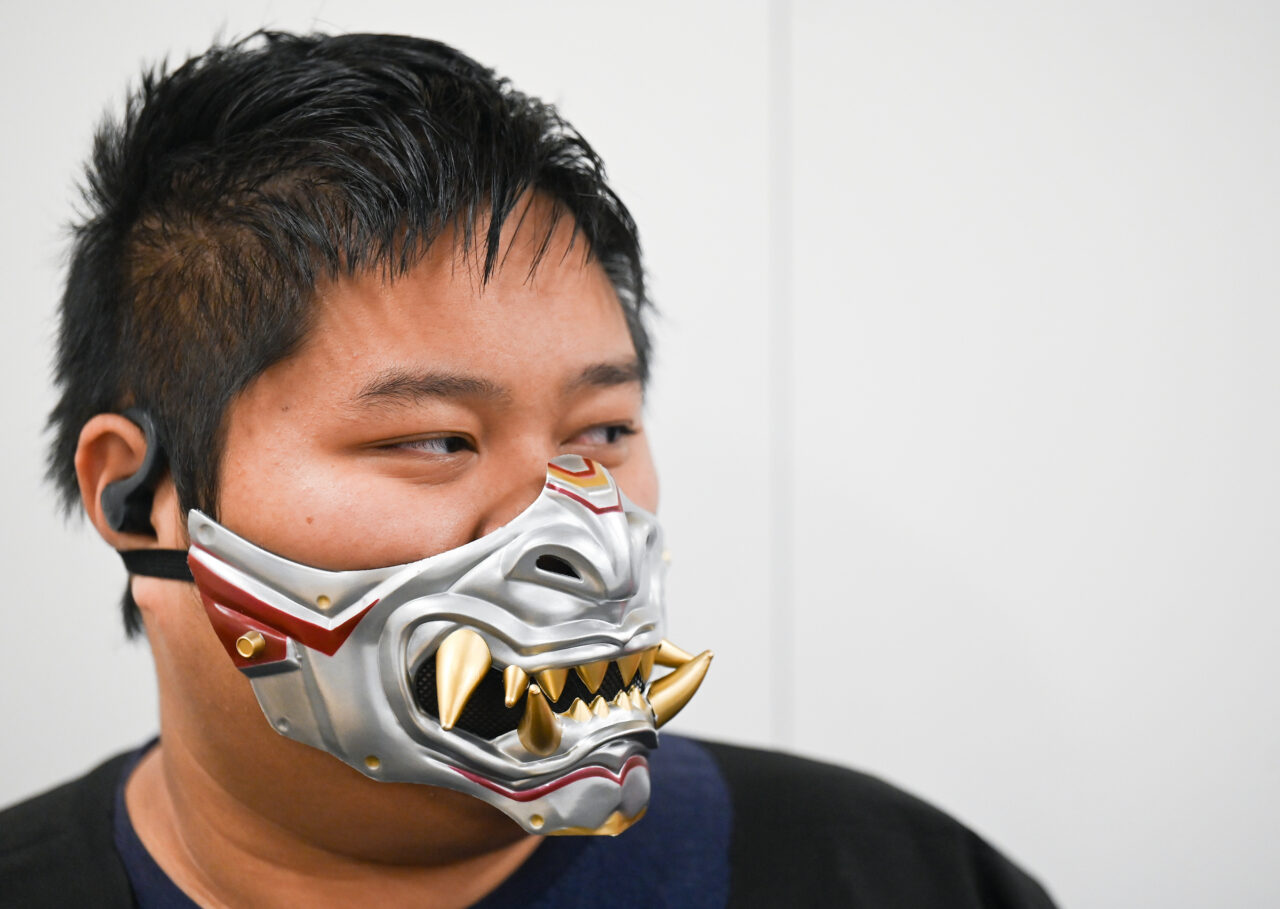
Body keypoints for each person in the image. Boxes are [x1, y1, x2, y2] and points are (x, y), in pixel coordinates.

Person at [0, 31, 1056, 908]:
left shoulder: (897, 878)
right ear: (137, 499)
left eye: (603, 432)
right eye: (435, 440)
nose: (586, 537)